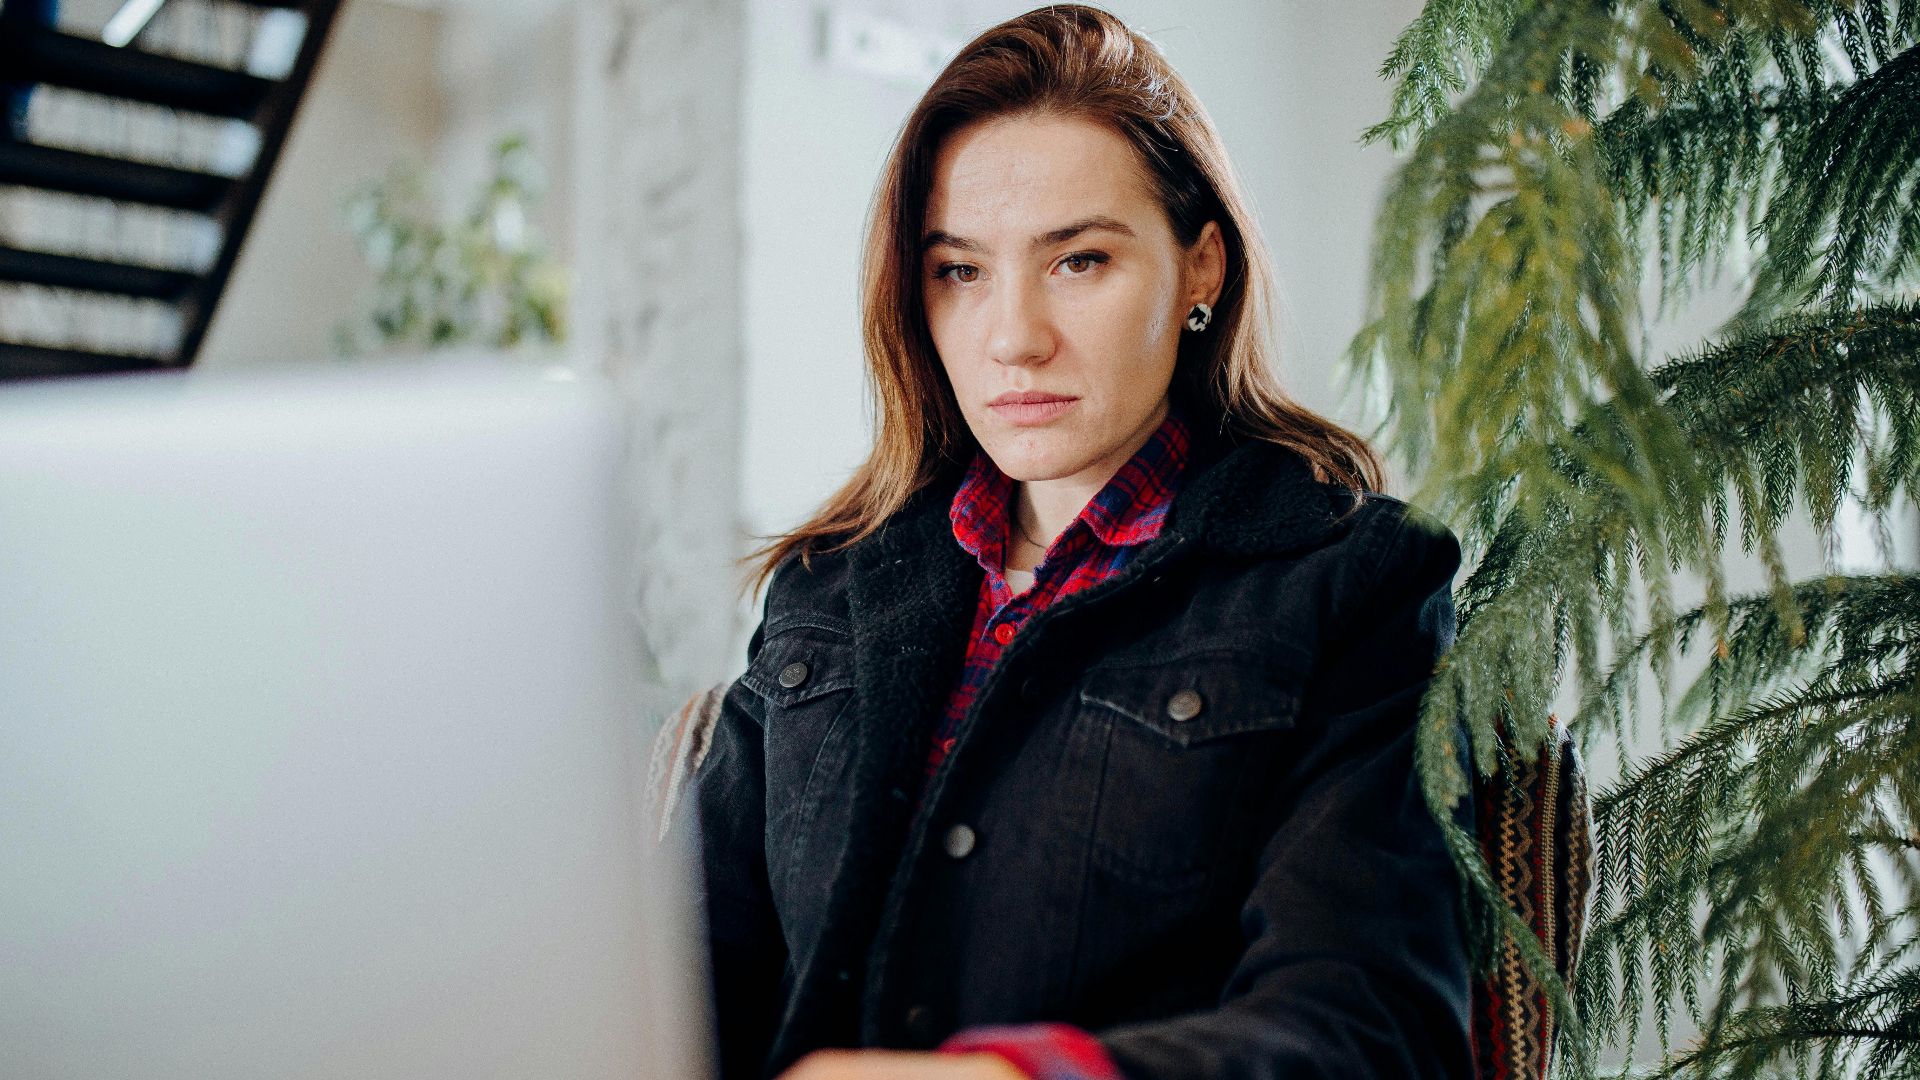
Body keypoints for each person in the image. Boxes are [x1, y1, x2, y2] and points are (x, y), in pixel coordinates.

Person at [691, 6, 1475, 1079]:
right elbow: (684, 967)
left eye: (1080, 261)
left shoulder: (1354, 587)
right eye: (959, 270)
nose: (1014, 335)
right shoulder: (830, 589)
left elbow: (1370, 1025)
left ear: (1201, 269)